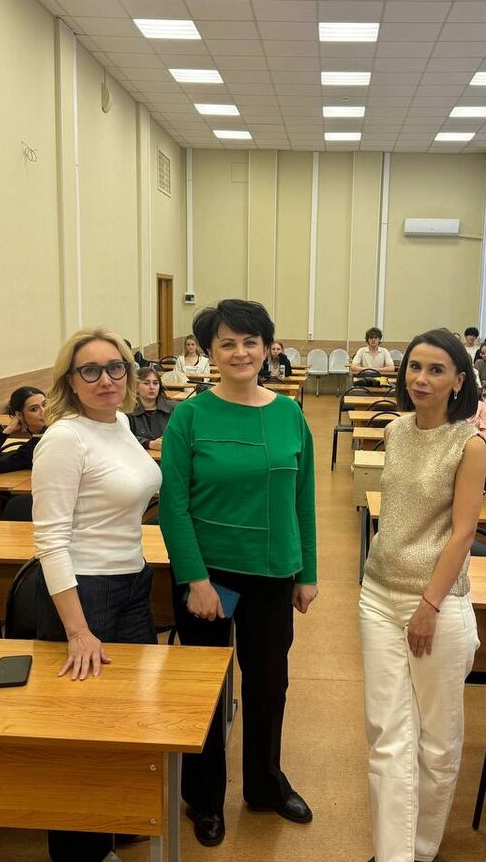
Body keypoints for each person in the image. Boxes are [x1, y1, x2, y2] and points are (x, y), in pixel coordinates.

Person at [159, 299, 318, 848]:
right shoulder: (190, 416)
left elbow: (303, 499)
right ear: (210, 352)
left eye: (250, 341)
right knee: (205, 687)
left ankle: (265, 785)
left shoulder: (289, 414)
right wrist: (195, 579)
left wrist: (307, 572)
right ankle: (204, 798)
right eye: (227, 343)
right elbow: (174, 505)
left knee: (269, 684)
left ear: (267, 348)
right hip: (210, 576)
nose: (240, 352)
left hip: (273, 574)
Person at [31, 328, 162, 862]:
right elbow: (50, 540)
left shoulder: (123, 425)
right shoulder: (64, 439)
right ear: (70, 380)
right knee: (80, 728)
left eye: (115, 367)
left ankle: (107, 824)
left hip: (132, 582)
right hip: (86, 592)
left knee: (128, 713)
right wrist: (78, 629)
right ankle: (76, 851)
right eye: (90, 370)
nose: (105, 379)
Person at [360, 328, 484, 862]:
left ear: (458, 380)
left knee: (437, 740)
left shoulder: (469, 443)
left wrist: (428, 606)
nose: (422, 379)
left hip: (436, 602)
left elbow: (463, 533)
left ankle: (421, 848)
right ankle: (393, 854)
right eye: (415, 367)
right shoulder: (395, 431)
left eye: (436, 370)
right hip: (378, 594)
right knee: (386, 734)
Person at [0, 386, 45, 475]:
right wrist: (7, 431)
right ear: (19, 415)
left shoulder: (59, 430)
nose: (44, 411)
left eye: (45, 404)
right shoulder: (29, 451)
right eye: (34, 409)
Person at [129, 366, 176, 450]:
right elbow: (122, 436)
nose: (152, 387)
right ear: (136, 387)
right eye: (146, 383)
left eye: (155, 383)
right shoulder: (127, 411)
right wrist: (149, 444)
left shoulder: (174, 408)